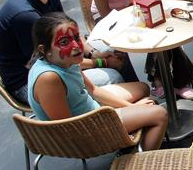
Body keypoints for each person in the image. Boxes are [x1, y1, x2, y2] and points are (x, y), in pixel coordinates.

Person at [0, 0, 134, 105]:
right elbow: (53, 63)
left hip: (58, 60)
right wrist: (101, 62)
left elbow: (70, 35)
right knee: (113, 76)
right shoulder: (25, 16)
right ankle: (113, 116)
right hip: (32, 82)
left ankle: (137, 107)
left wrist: (94, 53)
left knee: (114, 49)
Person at [28, 12, 168, 151]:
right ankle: (140, 164)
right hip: (86, 130)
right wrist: (116, 120)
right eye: (64, 42)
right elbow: (68, 129)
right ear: (43, 50)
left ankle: (133, 140)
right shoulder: (49, 79)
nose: (76, 46)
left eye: (77, 37)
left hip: (91, 109)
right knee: (160, 114)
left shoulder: (66, 60)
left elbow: (93, 90)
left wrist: (132, 108)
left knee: (143, 88)